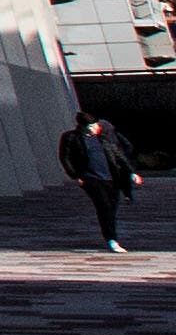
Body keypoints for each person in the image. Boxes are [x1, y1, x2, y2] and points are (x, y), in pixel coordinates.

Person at [61, 109, 143, 254]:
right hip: (91, 178)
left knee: (111, 207)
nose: (95, 128)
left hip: (111, 178)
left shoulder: (102, 138)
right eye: (91, 126)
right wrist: (75, 175)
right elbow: (65, 158)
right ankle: (112, 239)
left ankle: (110, 232)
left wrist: (131, 173)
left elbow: (118, 155)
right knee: (104, 206)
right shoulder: (71, 138)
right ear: (83, 126)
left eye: (95, 125)